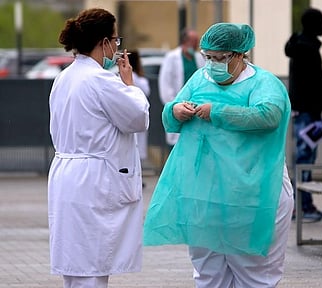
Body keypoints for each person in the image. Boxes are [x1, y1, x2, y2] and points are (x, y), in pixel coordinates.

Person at [144, 23, 294, 287]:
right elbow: (171, 116)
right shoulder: (201, 78)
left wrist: (218, 112)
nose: (212, 64)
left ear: (238, 54)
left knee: (254, 273)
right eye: (208, 57)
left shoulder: (263, 83)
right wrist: (175, 110)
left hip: (253, 192)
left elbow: (269, 115)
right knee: (209, 273)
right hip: (206, 194)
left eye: (219, 58)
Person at [47, 8, 150, 288]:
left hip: (67, 175)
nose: (116, 48)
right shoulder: (100, 80)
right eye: (115, 41)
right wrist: (130, 85)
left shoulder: (64, 77)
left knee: (76, 265)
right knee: (91, 266)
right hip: (93, 180)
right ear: (104, 42)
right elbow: (137, 118)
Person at [284, 7, 322, 222]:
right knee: (305, 159)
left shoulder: (301, 46)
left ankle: (302, 204)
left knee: (304, 158)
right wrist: (318, 112)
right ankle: (302, 206)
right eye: (321, 20)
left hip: (304, 112)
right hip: (308, 114)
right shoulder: (307, 48)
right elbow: (312, 85)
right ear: (313, 24)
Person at [158, 28, 205, 147]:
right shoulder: (172, 57)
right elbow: (165, 83)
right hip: (178, 105)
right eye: (194, 41)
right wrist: (173, 105)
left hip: (196, 107)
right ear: (185, 41)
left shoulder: (199, 58)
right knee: (176, 144)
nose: (196, 44)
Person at [128, 50, 151, 180]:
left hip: (134, 117)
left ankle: (137, 177)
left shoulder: (134, 78)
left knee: (136, 146)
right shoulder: (137, 79)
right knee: (135, 148)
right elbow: (146, 91)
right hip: (134, 116)